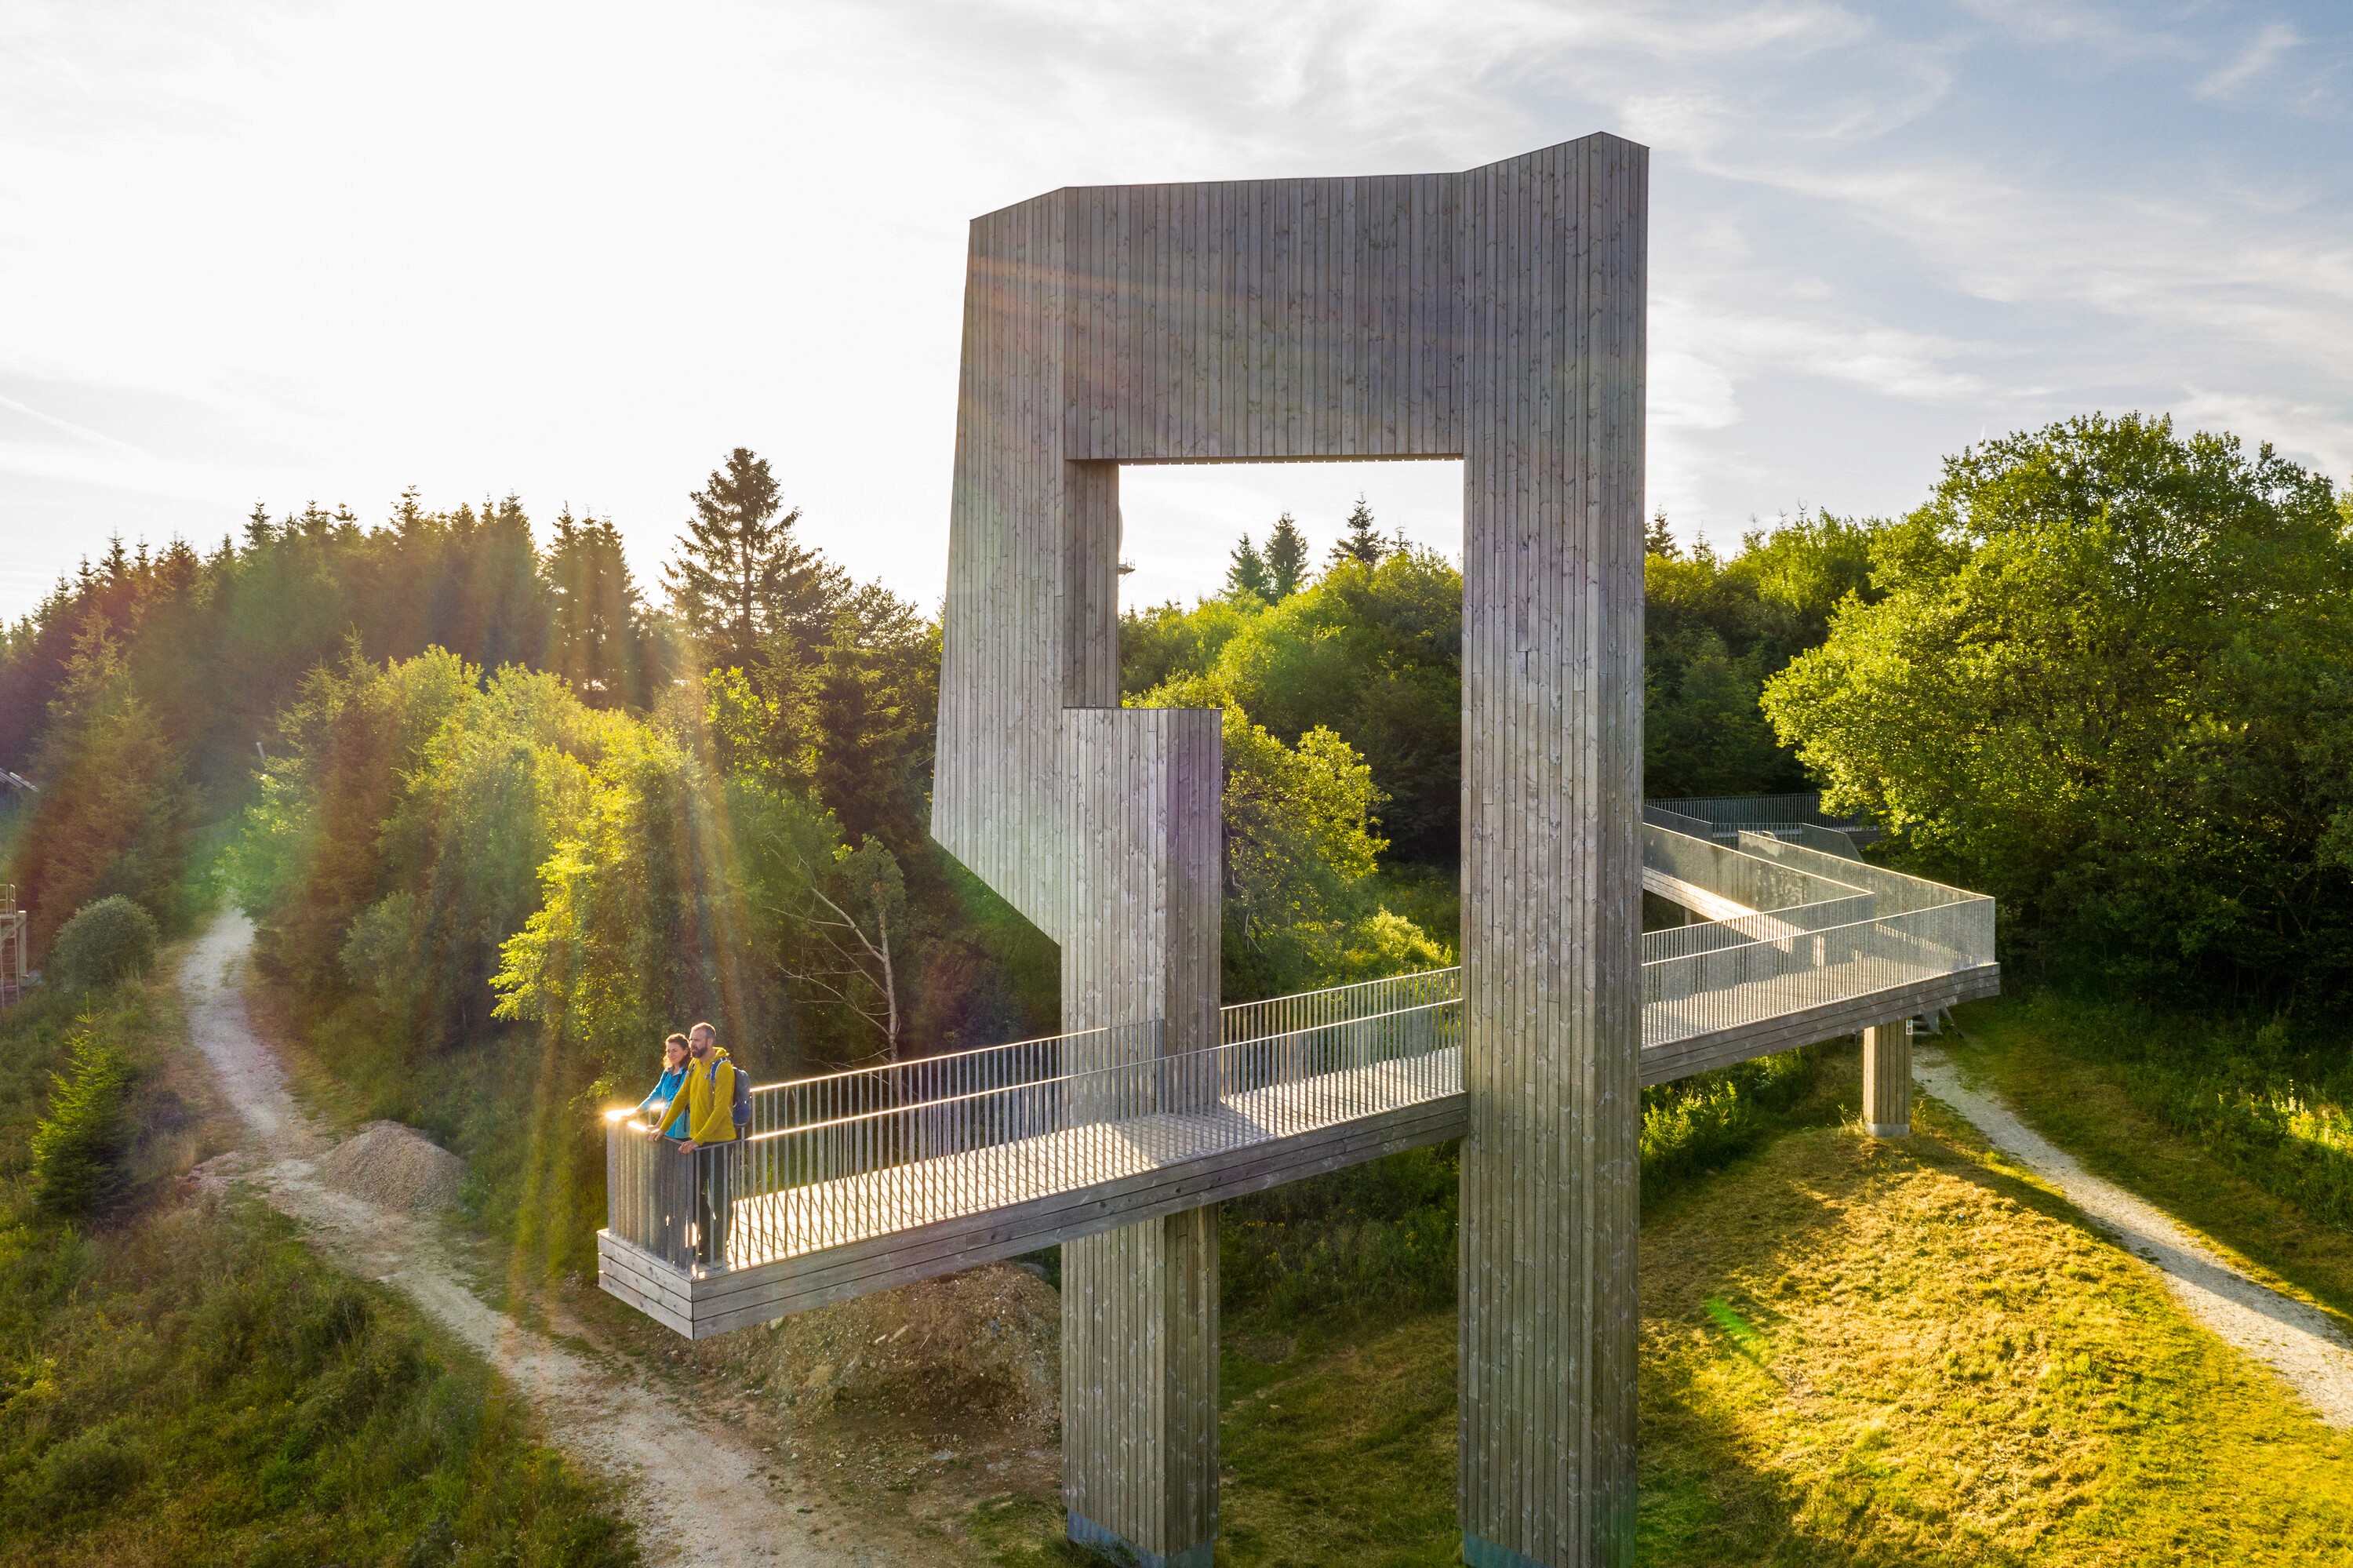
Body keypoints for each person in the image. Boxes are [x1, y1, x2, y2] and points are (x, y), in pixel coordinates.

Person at [675, 1021, 740, 1267]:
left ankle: (717, 1247)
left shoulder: (723, 1068)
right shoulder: (694, 1065)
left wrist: (697, 1139)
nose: (692, 1044)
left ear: (709, 1041)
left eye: (697, 1040)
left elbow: (721, 1110)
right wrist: (661, 1127)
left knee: (721, 1196)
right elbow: (682, 1096)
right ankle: (708, 1238)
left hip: (719, 1142)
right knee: (691, 1192)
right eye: (691, 1039)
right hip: (698, 1142)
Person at [636, 1033, 691, 1140]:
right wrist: (634, 1114)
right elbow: (656, 1095)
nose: (671, 1055)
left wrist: (658, 1126)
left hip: (682, 1131)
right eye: (668, 1051)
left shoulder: (688, 1074)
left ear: (685, 1051)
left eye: (675, 1051)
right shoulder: (668, 1072)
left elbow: (673, 1102)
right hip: (667, 1129)